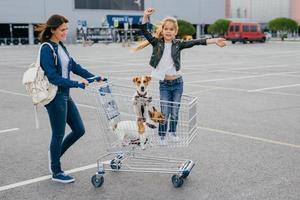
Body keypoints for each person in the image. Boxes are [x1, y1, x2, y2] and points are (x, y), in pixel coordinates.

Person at [135, 8, 226, 145]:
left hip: (178, 83)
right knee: (165, 112)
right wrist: (145, 16)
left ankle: (172, 133)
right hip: (164, 84)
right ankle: (162, 136)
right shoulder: (156, 43)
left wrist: (215, 40)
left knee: (175, 111)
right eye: (166, 28)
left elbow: (197, 42)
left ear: (175, 32)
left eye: (171, 29)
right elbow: (144, 30)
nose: (168, 31)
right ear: (163, 30)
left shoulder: (179, 44)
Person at [36, 14, 106, 183]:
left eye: (66, 29)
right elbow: (53, 77)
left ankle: (55, 154)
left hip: (65, 95)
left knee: (79, 130)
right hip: (55, 96)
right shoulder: (47, 48)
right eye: (62, 30)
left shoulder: (60, 46)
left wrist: (94, 77)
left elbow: (74, 66)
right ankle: (56, 171)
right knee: (58, 134)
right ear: (53, 30)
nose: (65, 32)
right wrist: (77, 84)